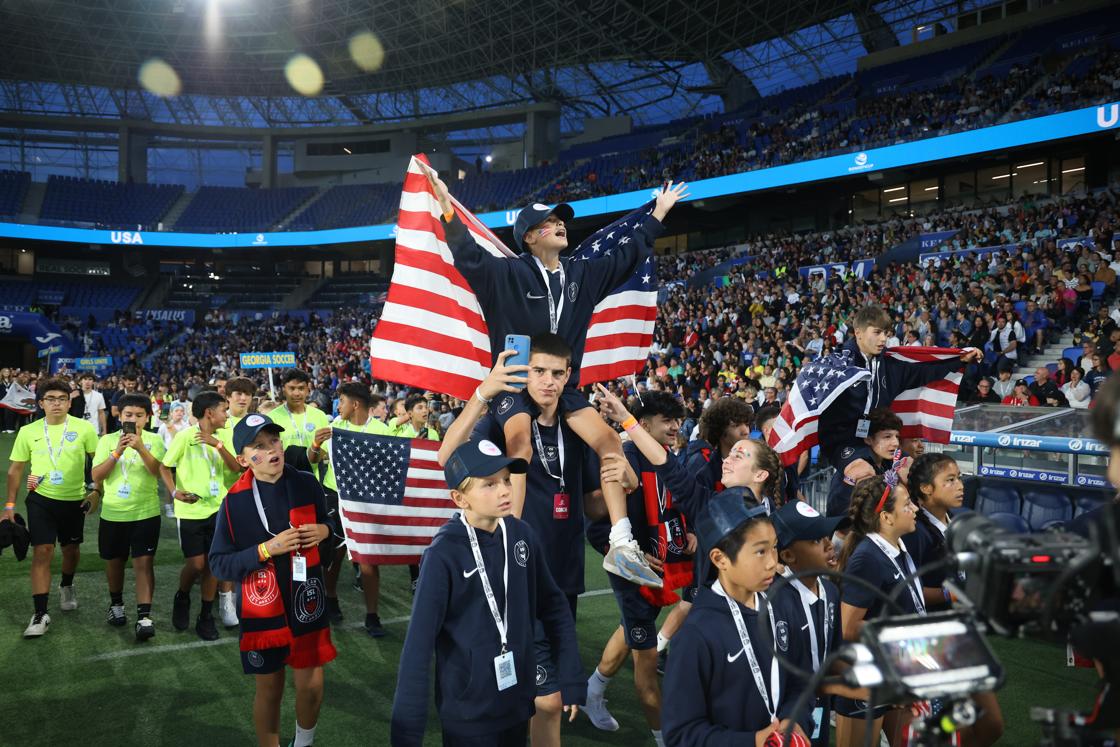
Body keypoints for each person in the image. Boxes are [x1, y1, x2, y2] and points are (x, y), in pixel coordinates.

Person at [427, 166, 689, 589]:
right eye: (549, 222)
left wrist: (657, 214)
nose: (560, 224)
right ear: (529, 237)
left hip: (563, 387)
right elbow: (469, 257)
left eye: (561, 220)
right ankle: (510, 539)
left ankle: (621, 542)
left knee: (608, 442)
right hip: (513, 384)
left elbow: (626, 257)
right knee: (520, 445)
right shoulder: (506, 274)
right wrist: (446, 208)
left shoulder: (582, 274)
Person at [438, 337, 609, 747]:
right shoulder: (503, 416)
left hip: (563, 574)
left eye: (556, 373)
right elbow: (447, 456)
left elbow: (591, 505)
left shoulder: (575, 424)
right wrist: (484, 392)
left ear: (568, 375)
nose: (547, 381)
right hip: (513, 576)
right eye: (538, 371)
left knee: (539, 703)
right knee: (546, 700)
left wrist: (624, 482)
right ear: (524, 372)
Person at [391, 438, 585, 746]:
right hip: (469, 713)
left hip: (517, 702)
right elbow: (418, 646)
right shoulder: (443, 554)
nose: (505, 490)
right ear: (459, 498)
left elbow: (554, 606)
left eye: (506, 480)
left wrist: (572, 676)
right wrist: (406, 732)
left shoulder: (521, 534)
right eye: (490, 484)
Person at [209, 414, 336, 747]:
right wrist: (267, 549)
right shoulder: (234, 502)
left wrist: (323, 531)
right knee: (270, 688)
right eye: (259, 447)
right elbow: (219, 564)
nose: (271, 450)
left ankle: (304, 743)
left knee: (310, 683)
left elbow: (331, 529)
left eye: (274, 441)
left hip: (307, 596)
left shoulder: (306, 483)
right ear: (242, 459)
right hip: (263, 610)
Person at [582, 392, 692, 745]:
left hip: (659, 564)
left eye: (678, 419)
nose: (675, 426)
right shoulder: (623, 457)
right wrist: (633, 553)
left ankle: (592, 691)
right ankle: (664, 739)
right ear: (643, 425)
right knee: (646, 664)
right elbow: (598, 526)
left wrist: (687, 532)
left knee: (630, 628)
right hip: (630, 568)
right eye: (667, 420)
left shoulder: (667, 459)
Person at [660, 491, 812, 746]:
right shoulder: (696, 635)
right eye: (760, 552)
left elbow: (802, 681)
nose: (773, 563)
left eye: (774, 547)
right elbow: (681, 734)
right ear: (720, 559)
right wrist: (752, 741)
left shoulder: (784, 603)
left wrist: (793, 720)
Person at [906, 454, 1005, 747]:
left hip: (961, 635)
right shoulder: (916, 532)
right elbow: (906, 591)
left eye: (959, 477)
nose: (959, 485)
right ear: (926, 489)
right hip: (932, 641)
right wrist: (952, 593)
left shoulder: (955, 522)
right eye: (949, 480)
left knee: (990, 723)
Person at [812, 305, 978, 469]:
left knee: (911, 468)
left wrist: (959, 360)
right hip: (844, 443)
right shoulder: (839, 365)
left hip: (877, 440)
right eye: (877, 332)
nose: (883, 339)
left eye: (886, 333)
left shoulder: (890, 366)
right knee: (863, 471)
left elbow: (923, 372)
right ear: (858, 333)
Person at [4, 378, 99, 638]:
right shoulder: (28, 431)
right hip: (40, 499)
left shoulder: (85, 429)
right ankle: (40, 613)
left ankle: (66, 585)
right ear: (41, 403)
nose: (56, 404)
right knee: (42, 551)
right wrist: (9, 504)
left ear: (69, 403)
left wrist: (97, 489)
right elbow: (15, 470)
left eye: (61, 399)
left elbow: (98, 462)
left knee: (71, 550)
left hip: (74, 500)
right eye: (50, 399)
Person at [835, 475, 923, 747]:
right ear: (886, 517)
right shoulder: (868, 558)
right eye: (907, 504)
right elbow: (847, 628)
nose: (916, 509)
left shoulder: (896, 548)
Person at [308, 381, 392, 635]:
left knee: (367, 558)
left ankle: (372, 615)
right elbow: (312, 459)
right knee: (334, 555)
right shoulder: (333, 428)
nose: (338, 406)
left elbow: (389, 467)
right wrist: (314, 445)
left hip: (366, 500)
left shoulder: (381, 430)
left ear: (355, 404)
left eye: (341, 401)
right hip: (335, 497)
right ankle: (331, 597)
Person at [160, 390, 241, 641]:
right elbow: (165, 466)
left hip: (219, 508)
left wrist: (216, 444)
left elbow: (236, 468)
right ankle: (182, 595)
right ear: (209, 413)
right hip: (191, 511)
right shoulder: (185, 437)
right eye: (223, 410)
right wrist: (174, 492)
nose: (226, 415)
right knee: (196, 564)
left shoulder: (226, 435)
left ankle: (205, 615)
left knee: (213, 564)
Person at [770, 500, 851, 747]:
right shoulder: (775, 602)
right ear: (787, 555)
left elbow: (833, 656)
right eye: (816, 541)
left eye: (827, 536)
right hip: (781, 721)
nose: (829, 545)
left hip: (819, 710)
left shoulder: (830, 590)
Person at [90, 393, 166, 641]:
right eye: (128, 415)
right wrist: (117, 452)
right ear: (119, 416)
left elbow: (157, 472)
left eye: (139, 415)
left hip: (146, 512)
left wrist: (141, 447)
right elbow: (97, 475)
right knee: (114, 562)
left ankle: (144, 616)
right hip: (113, 513)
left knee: (144, 563)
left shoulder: (154, 440)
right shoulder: (107, 441)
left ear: (148, 417)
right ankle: (116, 605)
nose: (133, 419)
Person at [825, 407, 906, 519]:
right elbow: (838, 512)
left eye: (897, 437)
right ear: (868, 439)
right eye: (887, 437)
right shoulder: (852, 470)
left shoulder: (889, 466)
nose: (895, 442)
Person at [684, 397, 753, 493]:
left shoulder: (756, 463)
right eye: (736, 425)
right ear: (719, 430)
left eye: (747, 424)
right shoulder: (703, 468)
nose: (746, 431)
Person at [272, 369, 332, 468]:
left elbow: (324, 452)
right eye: (292, 388)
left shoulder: (320, 416)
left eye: (301, 388)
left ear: (307, 390)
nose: (297, 393)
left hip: (313, 479)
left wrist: (315, 447)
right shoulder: (272, 417)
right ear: (284, 390)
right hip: (283, 478)